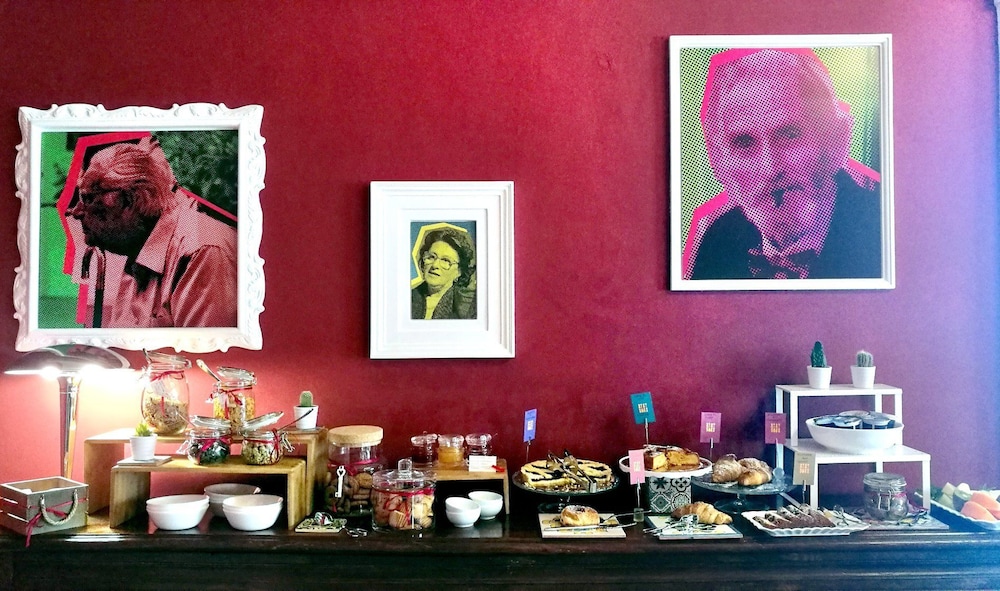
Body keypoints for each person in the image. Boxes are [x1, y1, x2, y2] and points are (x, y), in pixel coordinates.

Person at [688, 48, 882, 281]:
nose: (769, 168)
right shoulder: (718, 240)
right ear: (718, 160)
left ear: (835, 141)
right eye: (744, 143)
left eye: (790, 135)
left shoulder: (882, 226)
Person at [67, 136, 238, 327]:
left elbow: (206, 345)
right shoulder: (137, 250)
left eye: (88, 199)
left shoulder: (201, 250)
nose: (76, 212)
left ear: (128, 201)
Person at [411, 226, 476, 319]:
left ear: (459, 272)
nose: (435, 265)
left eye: (445, 260)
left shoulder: (468, 307)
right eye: (431, 257)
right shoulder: (407, 298)